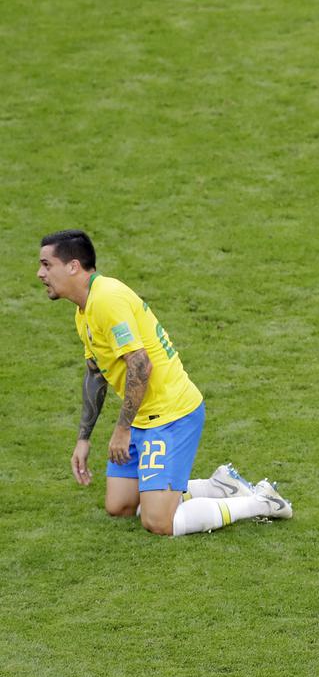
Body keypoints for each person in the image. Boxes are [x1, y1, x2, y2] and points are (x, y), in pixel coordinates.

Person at [37, 230, 292, 536]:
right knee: (119, 506)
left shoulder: (107, 299)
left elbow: (141, 365)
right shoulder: (85, 309)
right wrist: (83, 438)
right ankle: (219, 485)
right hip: (144, 416)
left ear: (73, 266)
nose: (40, 273)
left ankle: (262, 501)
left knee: (158, 521)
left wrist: (122, 428)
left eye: (46, 265)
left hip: (171, 414)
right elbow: (95, 373)